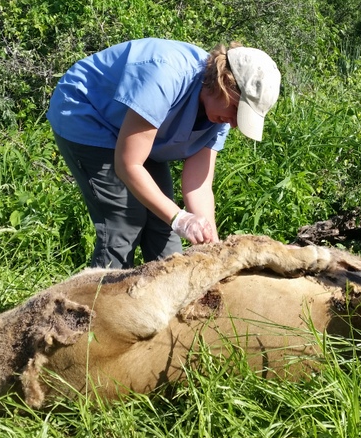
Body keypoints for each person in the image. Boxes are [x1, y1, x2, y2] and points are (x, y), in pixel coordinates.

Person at [47, 38, 281, 269]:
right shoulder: (166, 75)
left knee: (163, 222)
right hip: (87, 113)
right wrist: (180, 217)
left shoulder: (220, 117)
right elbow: (129, 164)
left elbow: (198, 187)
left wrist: (213, 249)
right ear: (223, 82)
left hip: (138, 133)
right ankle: (99, 302)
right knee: (124, 221)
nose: (233, 124)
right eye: (235, 111)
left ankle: (172, 301)